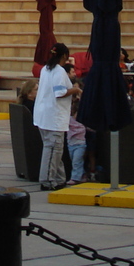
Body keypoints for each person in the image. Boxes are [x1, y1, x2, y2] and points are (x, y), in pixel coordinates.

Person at [34, 43, 81, 190]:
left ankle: (59, 178)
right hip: (53, 116)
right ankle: (47, 180)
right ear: (65, 56)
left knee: (55, 150)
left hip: (43, 115)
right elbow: (60, 93)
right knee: (53, 149)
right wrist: (75, 90)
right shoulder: (59, 71)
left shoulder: (45, 70)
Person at [67, 90, 93, 183]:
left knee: (76, 161)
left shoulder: (83, 120)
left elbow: (89, 128)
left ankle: (74, 178)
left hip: (80, 144)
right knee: (75, 161)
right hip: (71, 144)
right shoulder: (69, 120)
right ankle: (82, 174)